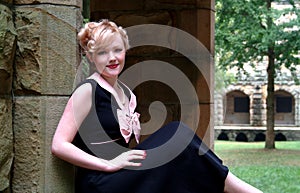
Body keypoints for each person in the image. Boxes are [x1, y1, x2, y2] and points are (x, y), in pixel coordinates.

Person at [51, 19, 262, 193]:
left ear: (125, 50)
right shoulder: (88, 90)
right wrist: (109, 164)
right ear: (90, 56)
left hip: (122, 177)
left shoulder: (127, 94)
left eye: (117, 50)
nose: (112, 58)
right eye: (103, 53)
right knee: (177, 133)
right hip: (100, 182)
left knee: (182, 153)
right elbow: (59, 145)